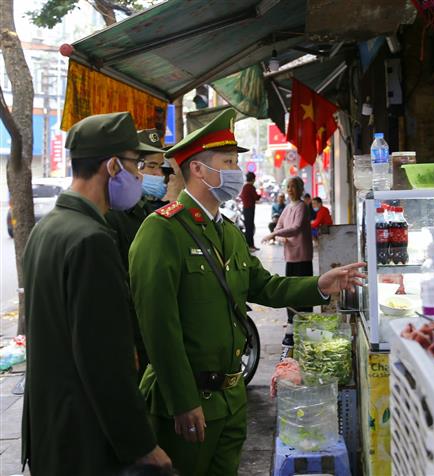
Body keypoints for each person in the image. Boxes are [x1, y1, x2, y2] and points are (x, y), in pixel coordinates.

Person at [128, 109, 364, 476]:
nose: (237, 171)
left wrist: (319, 285)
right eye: (228, 162)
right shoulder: (162, 231)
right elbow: (158, 327)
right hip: (189, 403)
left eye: (236, 161)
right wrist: (182, 401)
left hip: (231, 399)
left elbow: (265, 286)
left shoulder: (228, 232)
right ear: (199, 171)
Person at [21, 112, 171, 475]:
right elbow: (104, 359)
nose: (140, 175)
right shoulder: (91, 240)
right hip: (85, 440)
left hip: (49, 431)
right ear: (112, 166)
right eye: (136, 164)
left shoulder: (49, 229)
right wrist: (142, 444)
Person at [106, 129, 173, 377]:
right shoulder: (114, 216)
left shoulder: (146, 212)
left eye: (160, 168)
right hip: (130, 335)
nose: (159, 175)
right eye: (151, 167)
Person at [261, 177, 316, 357]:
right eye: (288, 187)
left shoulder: (301, 207)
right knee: (291, 290)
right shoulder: (288, 207)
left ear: (300, 189)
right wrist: (278, 234)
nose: (290, 190)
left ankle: (305, 322)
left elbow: (295, 228)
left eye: (294, 187)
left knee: (304, 290)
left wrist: (275, 234)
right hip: (290, 256)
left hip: (302, 255)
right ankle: (292, 321)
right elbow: (280, 225)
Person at [239, 171, 261, 251]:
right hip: (249, 209)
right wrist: (260, 195)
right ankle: (250, 246)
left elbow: (241, 196)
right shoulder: (250, 187)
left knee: (248, 227)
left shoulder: (245, 187)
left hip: (246, 209)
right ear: (253, 179)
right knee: (250, 228)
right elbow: (256, 197)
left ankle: (250, 245)